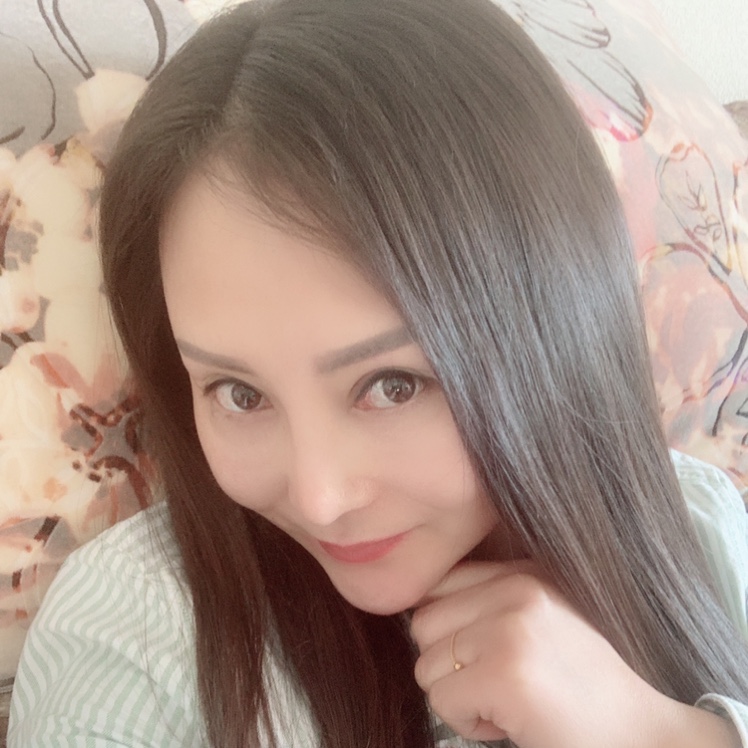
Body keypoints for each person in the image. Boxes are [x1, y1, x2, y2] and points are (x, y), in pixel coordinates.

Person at [8, 0, 748, 745]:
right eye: (240, 394)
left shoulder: (703, 524)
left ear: (552, 328)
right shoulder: (132, 640)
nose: (320, 497)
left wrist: (661, 734)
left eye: (393, 386)